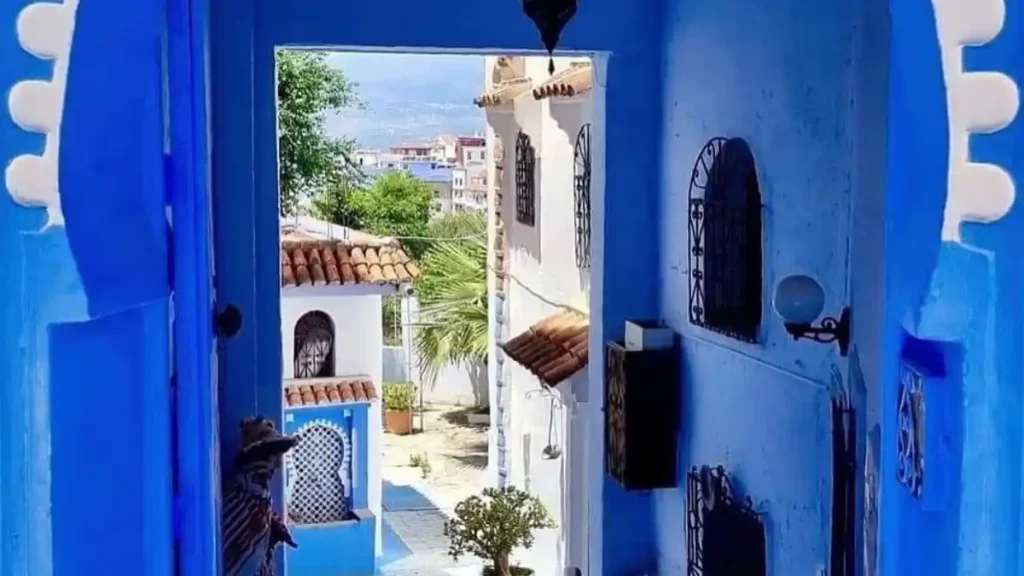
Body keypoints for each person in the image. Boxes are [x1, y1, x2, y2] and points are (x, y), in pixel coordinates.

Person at [222, 417, 299, 576]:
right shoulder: (241, 491)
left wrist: (272, 526)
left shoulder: (259, 494)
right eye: (273, 456)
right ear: (258, 457)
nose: (277, 464)